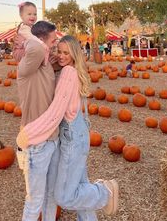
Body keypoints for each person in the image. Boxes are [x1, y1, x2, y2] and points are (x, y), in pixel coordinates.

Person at [17, 35, 119, 220]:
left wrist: (28, 133)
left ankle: (105, 192)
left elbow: (55, 113)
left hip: (72, 138)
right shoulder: (71, 70)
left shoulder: (68, 74)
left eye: (66, 53)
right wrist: (51, 59)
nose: (62, 56)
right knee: (80, 185)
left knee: (64, 197)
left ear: (74, 54)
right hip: (77, 135)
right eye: (59, 51)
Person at [14, 21, 60, 221]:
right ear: (41, 40)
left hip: (53, 138)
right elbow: (33, 47)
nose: (56, 41)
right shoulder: (26, 66)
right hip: (36, 142)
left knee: (51, 195)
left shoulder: (45, 62)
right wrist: (27, 36)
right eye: (53, 39)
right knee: (34, 200)